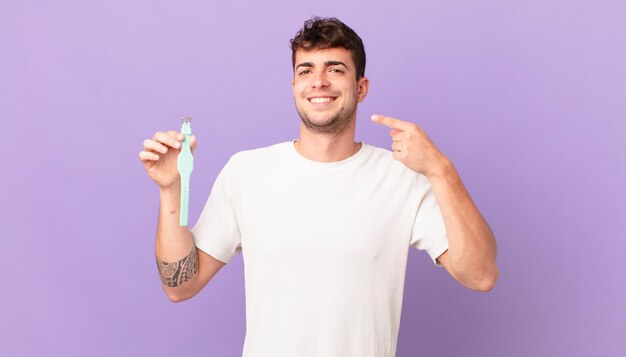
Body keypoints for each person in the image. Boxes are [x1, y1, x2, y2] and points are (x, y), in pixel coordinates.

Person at [139, 16, 498, 357]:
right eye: (306, 70)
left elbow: (480, 274)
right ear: (294, 86)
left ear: (362, 87)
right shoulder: (247, 172)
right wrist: (170, 189)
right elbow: (180, 286)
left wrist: (441, 170)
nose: (319, 81)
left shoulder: (402, 176)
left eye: (335, 69)